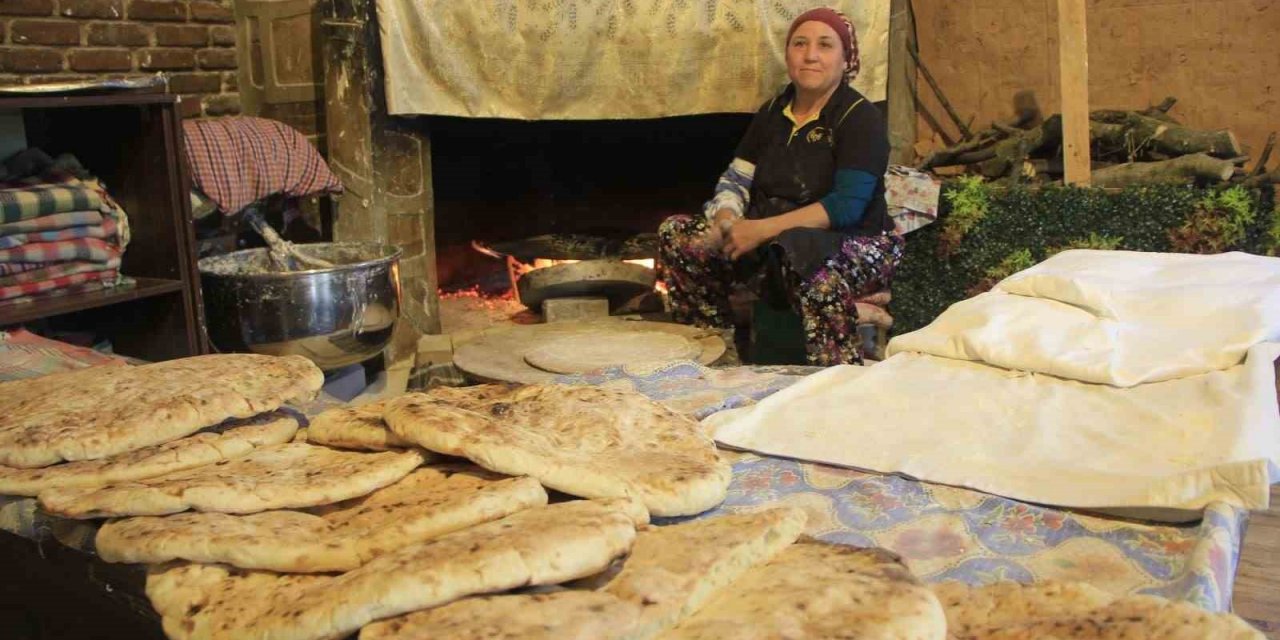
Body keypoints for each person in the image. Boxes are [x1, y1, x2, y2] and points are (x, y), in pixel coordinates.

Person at [657, 6, 903, 366]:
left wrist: (759, 230)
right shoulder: (773, 113)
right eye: (799, 43)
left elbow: (846, 207)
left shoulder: (859, 118)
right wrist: (727, 217)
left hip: (854, 242)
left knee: (807, 262)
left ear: (845, 58)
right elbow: (737, 178)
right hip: (776, 242)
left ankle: (836, 379)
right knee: (679, 234)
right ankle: (714, 355)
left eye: (825, 45)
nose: (810, 55)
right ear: (787, 53)